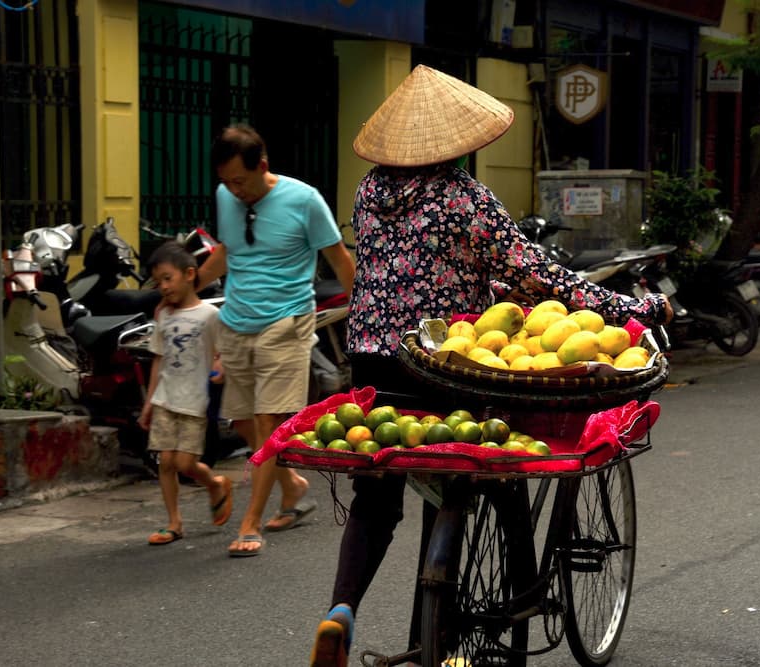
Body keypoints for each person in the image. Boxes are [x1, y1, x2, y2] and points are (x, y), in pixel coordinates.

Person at [308, 64, 674, 667]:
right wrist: (630, 306)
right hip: (446, 362)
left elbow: (428, 266)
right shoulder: (464, 197)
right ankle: (443, 637)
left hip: (373, 358)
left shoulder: (370, 191)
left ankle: (340, 610)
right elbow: (543, 275)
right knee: (473, 468)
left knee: (379, 492)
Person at [197, 124, 356, 557]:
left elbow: (338, 257)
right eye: (226, 182)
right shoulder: (226, 196)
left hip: (285, 321)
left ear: (262, 167)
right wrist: (188, 286)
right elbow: (228, 250)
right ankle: (293, 485)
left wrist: (364, 315)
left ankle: (250, 523)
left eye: (241, 182)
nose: (233, 190)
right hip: (236, 320)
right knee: (243, 422)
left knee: (268, 422)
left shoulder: (304, 200)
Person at [139, 240, 233, 545]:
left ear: (190, 274)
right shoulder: (163, 316)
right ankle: (174, 522)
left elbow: (222, 352)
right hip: (166, 398)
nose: (163, 287)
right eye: (158, 282)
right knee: (165, 462)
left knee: (184, 464)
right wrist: (149, 403)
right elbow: (159, 358)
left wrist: (220, 367)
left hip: (194, 401)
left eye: (168, 278)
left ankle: (216, 483)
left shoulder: (209, 315)